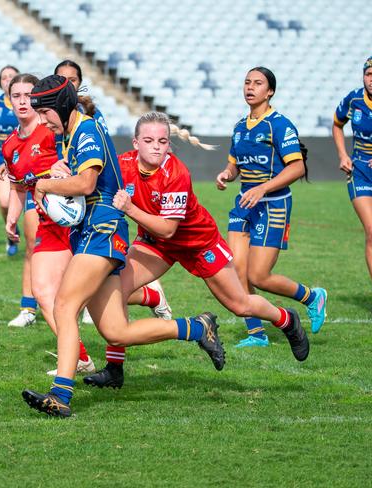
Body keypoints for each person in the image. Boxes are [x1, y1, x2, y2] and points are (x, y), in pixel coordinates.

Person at [21, 76, 224, 417]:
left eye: (45, 112)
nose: (42, 120)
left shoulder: (85, 130)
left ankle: (60, 395)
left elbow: (87, 184)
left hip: (102, 229)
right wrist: (58, 173)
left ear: (59, 106)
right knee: (116, 330)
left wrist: (45, 184)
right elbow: (82, 178)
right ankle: (197, 327)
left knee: (64, 306)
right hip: (93, 230)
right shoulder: (72, 135)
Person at [84, 112, 311, 389]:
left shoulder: (176, 173)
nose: (156, 146)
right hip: (156, 244)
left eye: (163, 141)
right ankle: (114, 370)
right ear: (135, 143)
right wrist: (63, 172)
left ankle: (287, 320)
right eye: (149, 140)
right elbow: (91, 178)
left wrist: (130, 208)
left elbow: (168, 228)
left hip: (197, 243)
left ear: (169, 144)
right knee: (116, 291)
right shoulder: (123, 165)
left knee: (240, 304)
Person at [54, 59, 172, 323]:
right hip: (77, 206)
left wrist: (59, 178)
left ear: (79, 84)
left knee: (77, 293)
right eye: (61, 79)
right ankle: (152, 299)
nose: (66, 84)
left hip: (96, 206)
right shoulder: (56, 118)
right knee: (87, 289)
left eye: (72, 80)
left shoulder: (89, 119)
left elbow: (93, 167)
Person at [216, 67, 327, 345]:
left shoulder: (279, 125)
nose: (250, 87)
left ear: (270, 92)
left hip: (273, 204)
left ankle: (312, 296)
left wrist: (263, 188)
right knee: (236, 270)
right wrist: (227, 174)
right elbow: (234, 165)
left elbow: (298, 167)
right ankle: (256, 333)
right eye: (246, 82)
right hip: (244, 203)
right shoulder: (240, 127)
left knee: (259, 275)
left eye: (258, 83)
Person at [1, 73, 95, 373]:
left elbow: (80, 166)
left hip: (72, 219)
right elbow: (18, 186)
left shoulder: (54, 130)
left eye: (28, 95)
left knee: (86, 292)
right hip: (45, 221)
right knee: (43, 292)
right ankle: (80, 358)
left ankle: (150, 295)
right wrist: (12, 218)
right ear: (9, 100)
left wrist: (60, 169)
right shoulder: (10, 145)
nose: (22, 101)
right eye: (16, 96)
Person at [332, 55, 372, 300]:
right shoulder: (354, 99)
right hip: (361, 172)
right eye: (369, 75)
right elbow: (338, 124)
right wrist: (343, 155)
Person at [0, 65, 21, 256]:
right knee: (4, 202)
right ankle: (11, 231)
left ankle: (40, 239)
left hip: (24, 154)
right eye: (4, 77)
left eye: (11, 77)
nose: (7, 80)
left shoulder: (27, 102)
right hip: (1, 155)